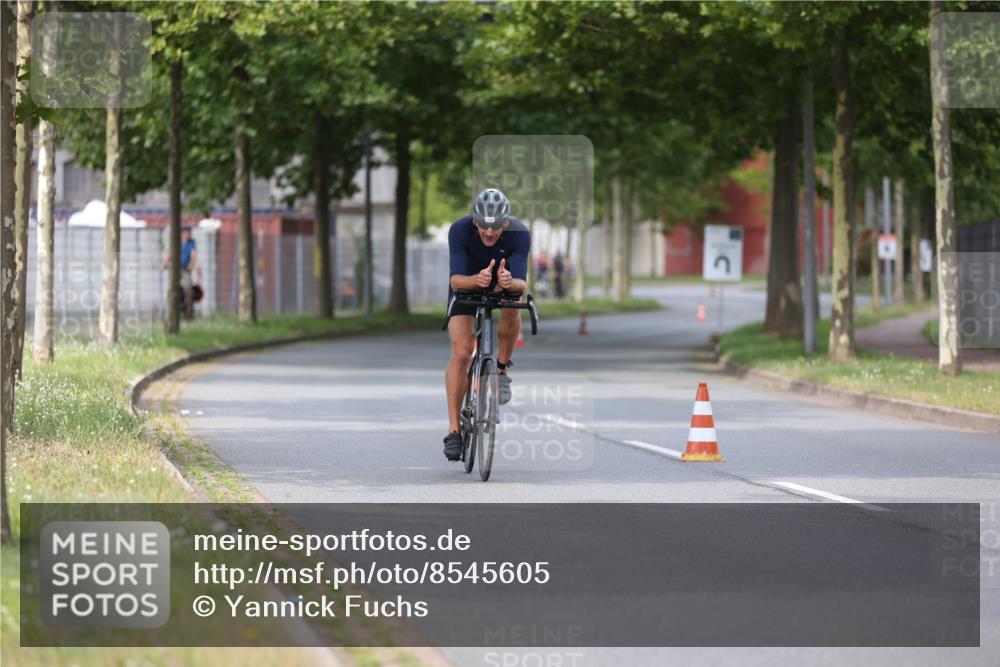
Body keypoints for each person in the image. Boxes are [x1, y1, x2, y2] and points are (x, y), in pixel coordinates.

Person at [442, 188, 531, 461]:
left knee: (514, 306)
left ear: (506, 222)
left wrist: (507, 281)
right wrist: (477, 280)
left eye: (495, 227)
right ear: (474, 221)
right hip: (467, 285)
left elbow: (522, 284)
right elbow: (455, 281)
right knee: (461, 352)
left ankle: (501, 370)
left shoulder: (520, 234)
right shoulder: (459, 231)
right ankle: (454, 431)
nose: (489, 232)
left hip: (502, 284)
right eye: (483, 225)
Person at [162, 226, 198, 320]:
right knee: (172, 290)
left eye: (188, 233)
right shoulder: (177, 242)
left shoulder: (192, 243)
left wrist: (191, 265)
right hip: (175, 270)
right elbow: (170, 253)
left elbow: (193, 255)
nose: (187, 235)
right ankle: (171, 314)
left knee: (188, 291)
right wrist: (165, 263)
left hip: (185, 270)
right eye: (185, 233)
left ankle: (189, 315)